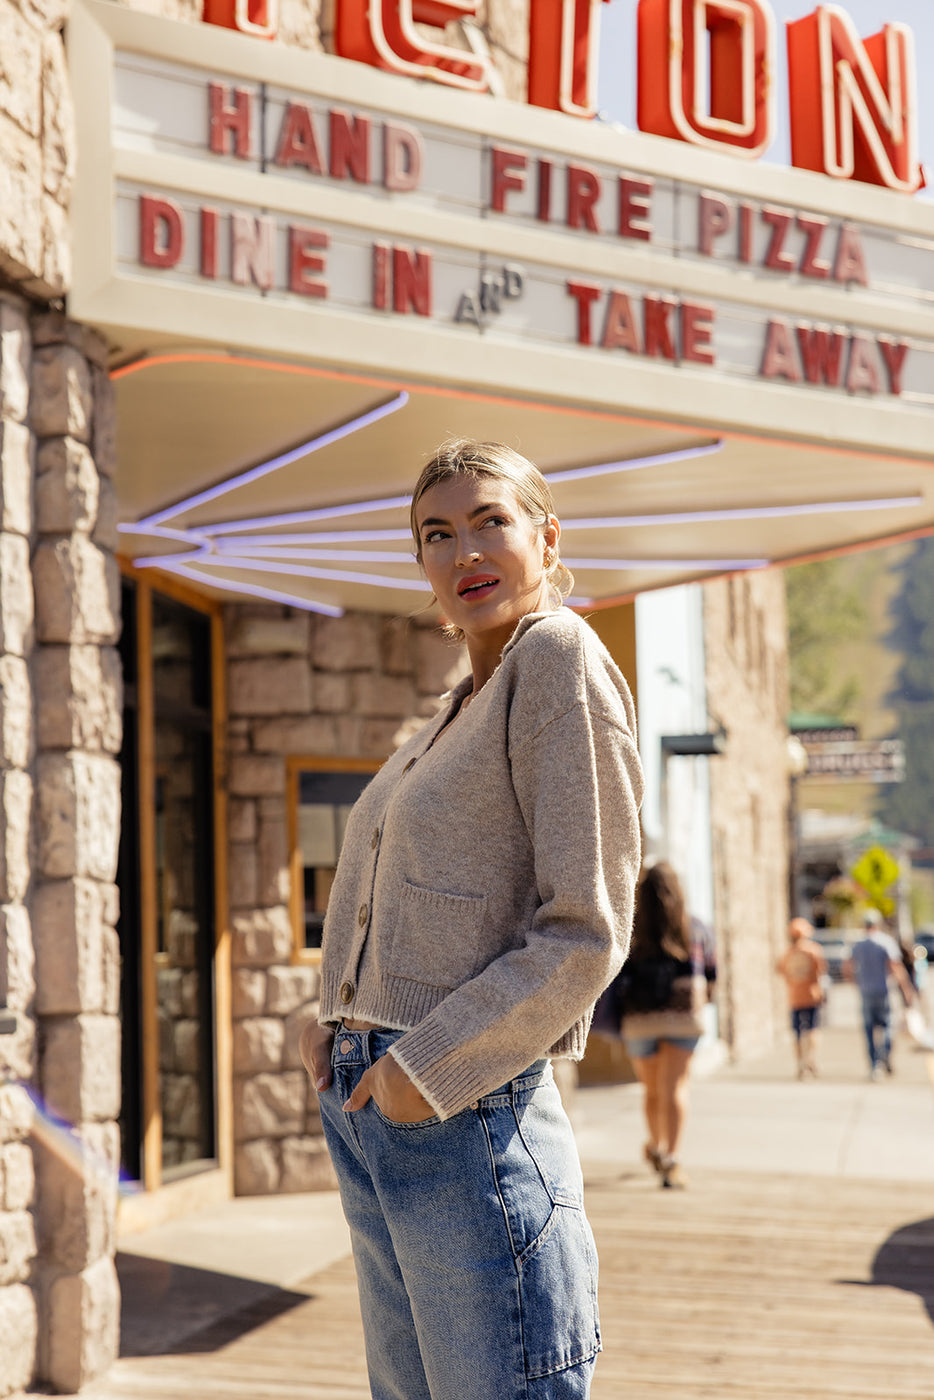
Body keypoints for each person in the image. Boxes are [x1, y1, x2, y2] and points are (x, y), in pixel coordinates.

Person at [299, 439, 644, 1400]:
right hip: (377, 1109)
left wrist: (426, 1067)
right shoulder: (460, 705)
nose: (465, 551)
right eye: (436, 534)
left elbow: (587, 927)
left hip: (465, 1109)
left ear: (546, 534)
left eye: (491, 519)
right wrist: (337, 1008)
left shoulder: (558, 658)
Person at [619, 862, 706, 1190]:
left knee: (652, 1090)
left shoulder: (632, 928)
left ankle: (656, 1146)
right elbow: (711, 972)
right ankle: (671, 1157)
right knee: (675, 1088)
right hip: (683, 1018)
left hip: (640, 1020)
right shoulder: (695, 927)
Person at [844, 909, 916, 1080]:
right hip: (883, 990)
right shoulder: (885, 942)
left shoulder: (858, 944)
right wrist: (907, 990)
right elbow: (896, 968)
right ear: (877, 924)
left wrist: (856, 982)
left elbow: (846, 967)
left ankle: (874, 1064)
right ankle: (884, 1057)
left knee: (869, 1029)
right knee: (887, 1026)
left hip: (866, 991)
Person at [776, 917, 827, 1080]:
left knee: (797, 1033)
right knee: (812, 1030)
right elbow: (821, 971)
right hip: (811, 995)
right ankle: (810, 1060)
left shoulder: (787, 953)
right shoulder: (813, 950)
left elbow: (780, 970)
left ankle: (800, 1063)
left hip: (794, 996)